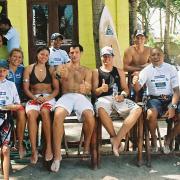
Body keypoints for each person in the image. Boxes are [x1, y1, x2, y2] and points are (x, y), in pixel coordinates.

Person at [51, 44, 95, 172]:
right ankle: (57, 156)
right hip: (66, 96)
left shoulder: (87, 70)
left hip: (81, 97)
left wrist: (85, 88)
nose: (74, 55)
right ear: (69, 54)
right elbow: (56, 75)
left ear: (81, 53)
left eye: (76, 52)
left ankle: (85, 148)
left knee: (89, 116)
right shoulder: (63, 67)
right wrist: (58, 74)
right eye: (71, 53)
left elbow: (88, 87)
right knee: (58, 115)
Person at [92, 46, 142, 157]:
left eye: (109, 56)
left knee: (138, 109)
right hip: (103, 99)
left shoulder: (119, 71)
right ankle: (114, 136)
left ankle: (117, 139)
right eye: (104, 56)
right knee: (100, 109)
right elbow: (94, 92)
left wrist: (123, 96)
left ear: (112, 57)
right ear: (101, 58)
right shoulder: (96, 72)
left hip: (118, 98)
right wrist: (101, 89)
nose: (106, 59)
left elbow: (126, 89)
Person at [133, 47, 180, 152]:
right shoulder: (147, 70)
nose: (156, 57)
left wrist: (172, 107)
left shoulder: (171, 68)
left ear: (163, 56)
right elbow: (137, 88)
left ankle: (169, 138)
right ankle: (154, 139)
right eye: (153, 55)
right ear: (149, 58)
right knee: (150, 114)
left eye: (158, 54)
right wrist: (135, 82)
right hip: (154, 99)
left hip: (170, 99)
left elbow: (177, 91)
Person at [23, 46, 59, 164]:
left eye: (46, 55)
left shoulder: (52, 69)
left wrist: (47, 98)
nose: (44, 57)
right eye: (42, 54)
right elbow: (26, 88)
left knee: (44, 112)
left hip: (48, 98)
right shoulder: (29, 69)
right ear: (37, 55)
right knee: (31, 115)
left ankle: (48, 146)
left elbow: (56, 89)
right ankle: (34, 150)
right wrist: (35, 98)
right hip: (34, 98)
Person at [0, 62, 21, 180]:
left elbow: (18, 105)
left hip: (6, 119)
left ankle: (6, 178)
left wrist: (8, 107)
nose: (1, 73)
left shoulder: (11, 85)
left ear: (8, 72)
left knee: (6, 150)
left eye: (4, 70)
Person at [6, 48, 27, 158]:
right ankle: (6, 143)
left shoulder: (23, 70)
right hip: (5, 102)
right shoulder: (3, 70)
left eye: (19, 57)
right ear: (9, 58)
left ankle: (19, 142)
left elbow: (27, 87)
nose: (17, 59)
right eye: (14, 56)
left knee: (21, 113)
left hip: (19, 102)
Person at [123, 30, 151, 101]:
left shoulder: (149, 50)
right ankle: (135, 99)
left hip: (146, 73)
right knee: (136, 80)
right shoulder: (129, 50)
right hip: (133, 74)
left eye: (142, 38)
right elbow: (125, 67)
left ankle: (148, 98)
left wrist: (141, 72)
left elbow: (153, 65)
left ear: (145, 39)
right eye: (137, 38)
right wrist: (141, 68)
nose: (139, 40)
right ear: (134, 38)